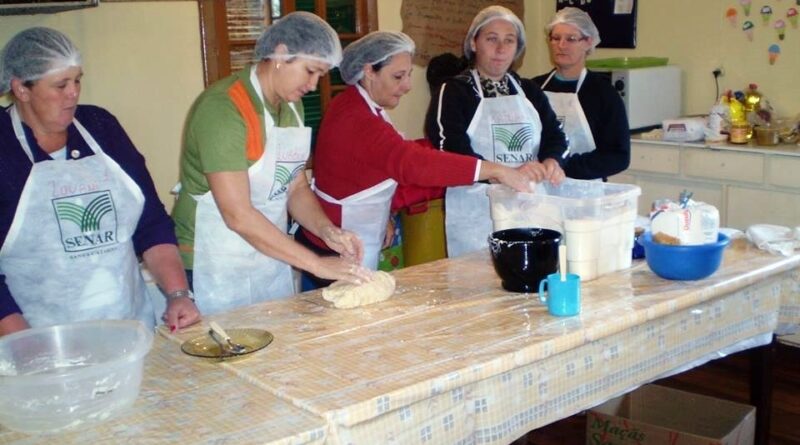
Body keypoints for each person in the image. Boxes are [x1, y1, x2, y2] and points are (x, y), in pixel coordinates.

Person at [0, 27, 200, 335]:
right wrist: (29, 348)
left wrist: (178, 294)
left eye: (77, 80)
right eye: (60, 85)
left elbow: (151, 223)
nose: (74, 93)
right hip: (44, 341)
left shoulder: (101, 127)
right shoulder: (5, 149)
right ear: (21, 89)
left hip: (129, 329)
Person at [297, 31, 539, 284]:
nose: (408, 86)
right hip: (334, 248)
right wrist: (495, 170)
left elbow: (364, 171)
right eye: (398, 76)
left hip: (352, 238)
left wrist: (386, 213)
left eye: (409, 74)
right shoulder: (356, 117)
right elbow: (411, 163)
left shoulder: (361, 105)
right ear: (369, 71)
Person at [172, 12, 371, 315]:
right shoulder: (225, 109)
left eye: (321, 75)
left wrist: (327, 230)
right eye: (310, 71)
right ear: (280, 54)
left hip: (266, 255)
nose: (314, 86)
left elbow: (295, 187)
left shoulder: (292, 106)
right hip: (211, 262)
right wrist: (316, 264)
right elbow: (237, 215)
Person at [425, 6, 568, 258]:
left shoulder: (529, 91)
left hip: (531, 207)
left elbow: (556, 136)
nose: (501, 49)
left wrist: (551, 161)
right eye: (492, 39)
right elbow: (449, 151)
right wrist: (503, 174)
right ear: (473, 43)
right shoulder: (454, 91)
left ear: (517, 49)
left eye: (509, 41)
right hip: (477, 213)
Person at [532, 7, 630, 180]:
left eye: (571, 39)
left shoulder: (604, 94)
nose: (561, 45)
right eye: (556, 38)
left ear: (588, 42)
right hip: (538, 188)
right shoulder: (533, 88)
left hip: (586, 192)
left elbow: (618, 156)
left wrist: (562, 167)